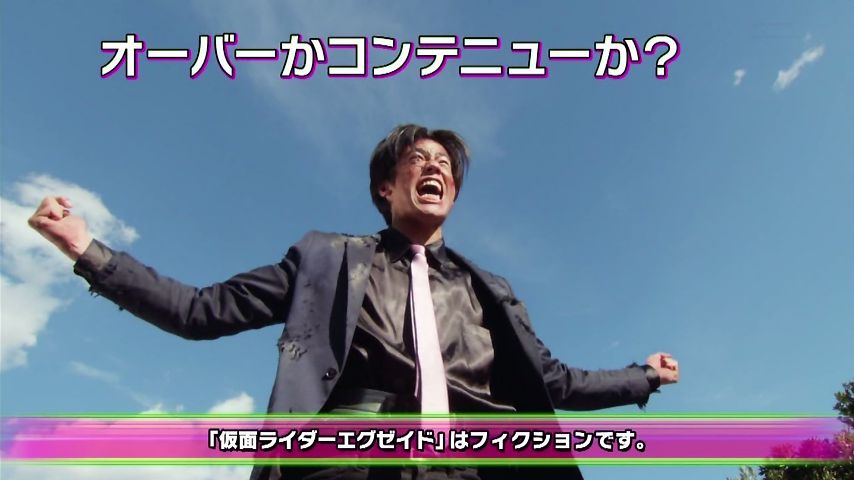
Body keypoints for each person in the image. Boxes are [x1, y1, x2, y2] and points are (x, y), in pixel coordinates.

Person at [28, 124, 679, 480]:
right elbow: (200, 311)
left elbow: (555, 381)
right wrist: (88, 249)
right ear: (385, 187)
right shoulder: (325, 260)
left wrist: (642, 376)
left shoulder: (492, 292)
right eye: (419, 158)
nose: (436, 167)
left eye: (446, 164)